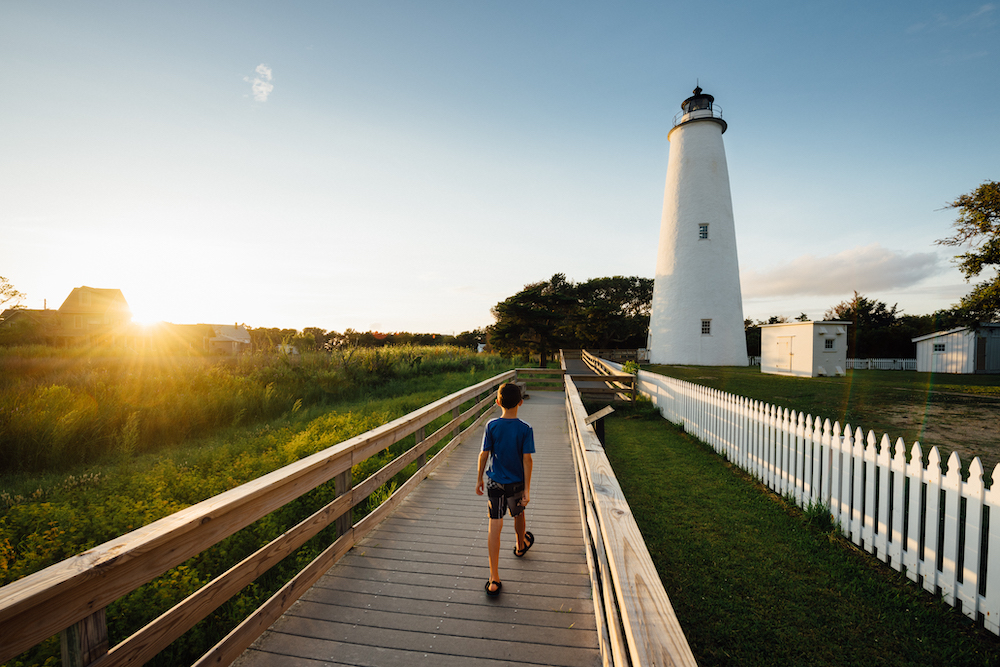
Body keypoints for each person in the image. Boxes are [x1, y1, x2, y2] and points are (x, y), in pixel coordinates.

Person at [475, 382, 535, 597]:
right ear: (520, 402)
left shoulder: (491, 425)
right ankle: (520, 545)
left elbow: (484, 454)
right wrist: (527, 489)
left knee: (495, 524)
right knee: (518, 514)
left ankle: (494, 578)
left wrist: (479, 478)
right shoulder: (525, 429)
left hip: (494, 483)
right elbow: (527, 460)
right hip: (517, 483)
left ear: (497, 402)